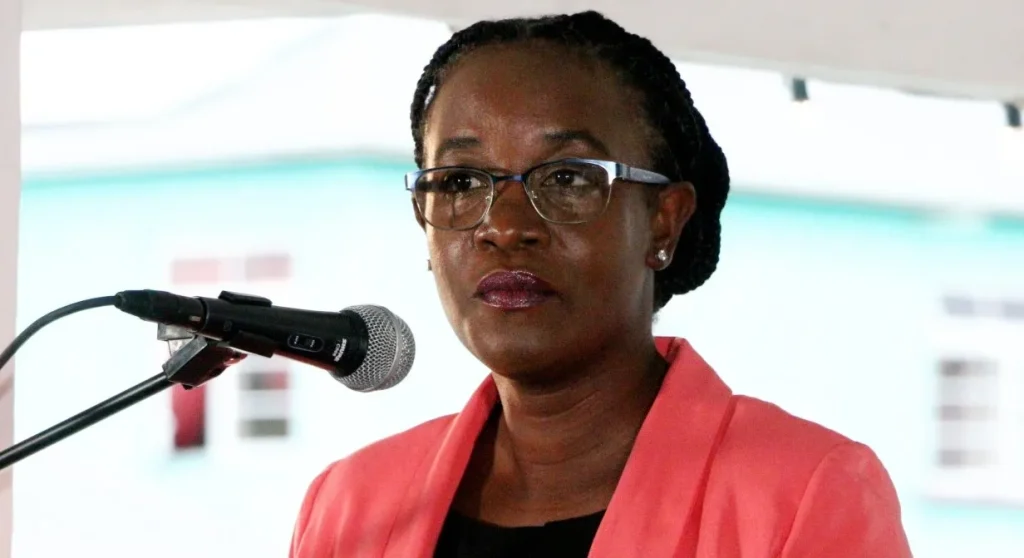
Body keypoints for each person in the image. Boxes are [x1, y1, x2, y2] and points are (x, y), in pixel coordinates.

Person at [289, 10, 912, 558]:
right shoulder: (349, 506)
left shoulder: (803, 491)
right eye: (460, 183)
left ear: (664, 221)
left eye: (567, 178)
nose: (503, 227)